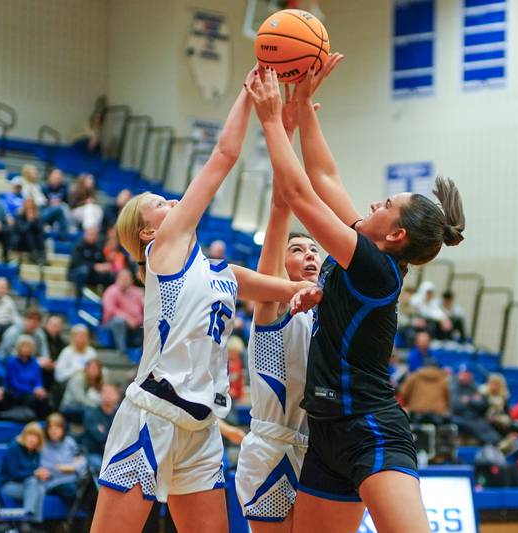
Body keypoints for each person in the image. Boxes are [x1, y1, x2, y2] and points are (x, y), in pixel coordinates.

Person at [246, 59, 465, 532]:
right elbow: (325, 178)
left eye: (386, 205)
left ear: (397, 235)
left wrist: (271, 120)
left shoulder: (373, 266)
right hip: (326, 432)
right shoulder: (368, 252)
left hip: (370, 428)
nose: (373, 204)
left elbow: (302, 195)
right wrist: (303, 107)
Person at [92, 67, 310, 532]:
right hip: (152, 415)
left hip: (203, 427)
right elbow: (224, 154)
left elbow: (284, 288)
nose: (170, 202)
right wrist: (249, 95)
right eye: (158, 203)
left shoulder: (219, 272)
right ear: (147, 231)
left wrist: (316, 288)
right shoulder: (164, 249)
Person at [234, 96, 323, 527]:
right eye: (297, 249)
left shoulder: (325, 314)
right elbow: (281, 206)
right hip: (270, 446)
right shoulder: (271, 306)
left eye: (314, 250)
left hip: (316, 449)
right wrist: (283, 132)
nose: (309, 255)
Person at [0, 422, 48, 524]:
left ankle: (31, 521)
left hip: (27, 486)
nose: (32, 439)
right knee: (34, 484)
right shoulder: (13, 448)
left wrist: (42, 474)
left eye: (36, 437)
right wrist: (34, 473)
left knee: (40, 488)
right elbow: (14, 474)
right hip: (8, 485)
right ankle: (27, 519)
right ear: (24, 435)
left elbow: (33, 473)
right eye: (30, 435)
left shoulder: (36, 452)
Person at [40, 413, 87, 508]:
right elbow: (48, 469)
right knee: (72, 491)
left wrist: (72, 468)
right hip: (54, 483)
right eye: (51, 428)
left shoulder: (69, 442)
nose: (54, 431)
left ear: (63, 429)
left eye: (57, 428)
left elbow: (82, 461)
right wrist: (63, 468)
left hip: (74, 480)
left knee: (92, 488)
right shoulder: (43, 444)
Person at [5, 335, 50, 420]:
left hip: (32, 391)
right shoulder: (12, 361)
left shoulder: (34, 363)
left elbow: (38, 380)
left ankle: (43, 423)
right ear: (19, 347)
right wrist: (32, 390)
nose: (26, 349)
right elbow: (14, 382)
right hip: (17, 392)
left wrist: (39, 388)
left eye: (29, 347)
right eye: (24, 346)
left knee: (45, 398)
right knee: (31, 398)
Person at [452, 370, 500, 445]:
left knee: (484, 424)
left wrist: (469, 401)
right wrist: (473, 401)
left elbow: (483, 403)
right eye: (464, 374)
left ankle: (496, 441)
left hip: (475, 415)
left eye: (468, 374)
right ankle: (492, 442)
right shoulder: (454, 387)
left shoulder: (473, 386)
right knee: (474, 425)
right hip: (461, 416)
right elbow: (455, 405)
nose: (466, 376)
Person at [102, 269, 143, 354]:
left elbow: (142, 310)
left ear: (131, 280)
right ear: (117, 279)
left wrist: (137, 320)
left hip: (135, 322)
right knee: (118, 321)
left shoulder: (137, 292)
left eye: (127, 278)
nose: (125, 280)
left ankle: (143, 351)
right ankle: (122, 350)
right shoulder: (111, 291)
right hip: (112, 322)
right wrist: (127, 318)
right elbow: (110, 310)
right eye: (123, 278)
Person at [68, 227, 115, 302]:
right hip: (76, 274)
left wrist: (106, 265)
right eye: (91, 234)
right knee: (83, 271)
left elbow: (102, 262)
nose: (93, 237)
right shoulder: (79, 245)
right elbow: (77, 262)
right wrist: (94, 266)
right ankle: (79, 299)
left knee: (110, 275)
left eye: (95, 235)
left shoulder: (98, 247)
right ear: (85, 234)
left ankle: (107, 299)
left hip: (92, 275)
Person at [82, 383, 120, 473]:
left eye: (111, 392)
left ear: (117, 396)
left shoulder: (121, 414)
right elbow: (100, 437)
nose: (107, 395)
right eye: (104, 392)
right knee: (102, 467)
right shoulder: (91, 413)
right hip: (95, 452)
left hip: (115, 453)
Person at [60, 358, 105, 424]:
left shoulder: (99, 381)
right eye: (91, 368)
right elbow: (80, 399)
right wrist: (97, 406)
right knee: (91, 411)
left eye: (96, 369)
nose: (94, 371)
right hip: (69, 407)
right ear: (86, 368)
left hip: (86, 406)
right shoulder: (78, 378)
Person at [11, 196, 46, 263]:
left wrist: (34, 220)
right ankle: (35, 256)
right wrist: (30, 221)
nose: (29, 208)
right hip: (20, 241)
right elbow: (22, 230)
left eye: (31, 207)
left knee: (39, 236)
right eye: (28, 206)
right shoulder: (19, 216)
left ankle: (42, 257)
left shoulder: (37, 216)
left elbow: (40, 230)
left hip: (34, 241)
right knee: (28, 234)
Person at [227, 336, 245, 403]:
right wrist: (228, 390)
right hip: (225, 393)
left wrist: (240, 394)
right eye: (233, 352)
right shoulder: (225, 362)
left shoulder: (238, 362)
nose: (235, 355)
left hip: (234, 395)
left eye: (237, 353)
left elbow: (239, 379)